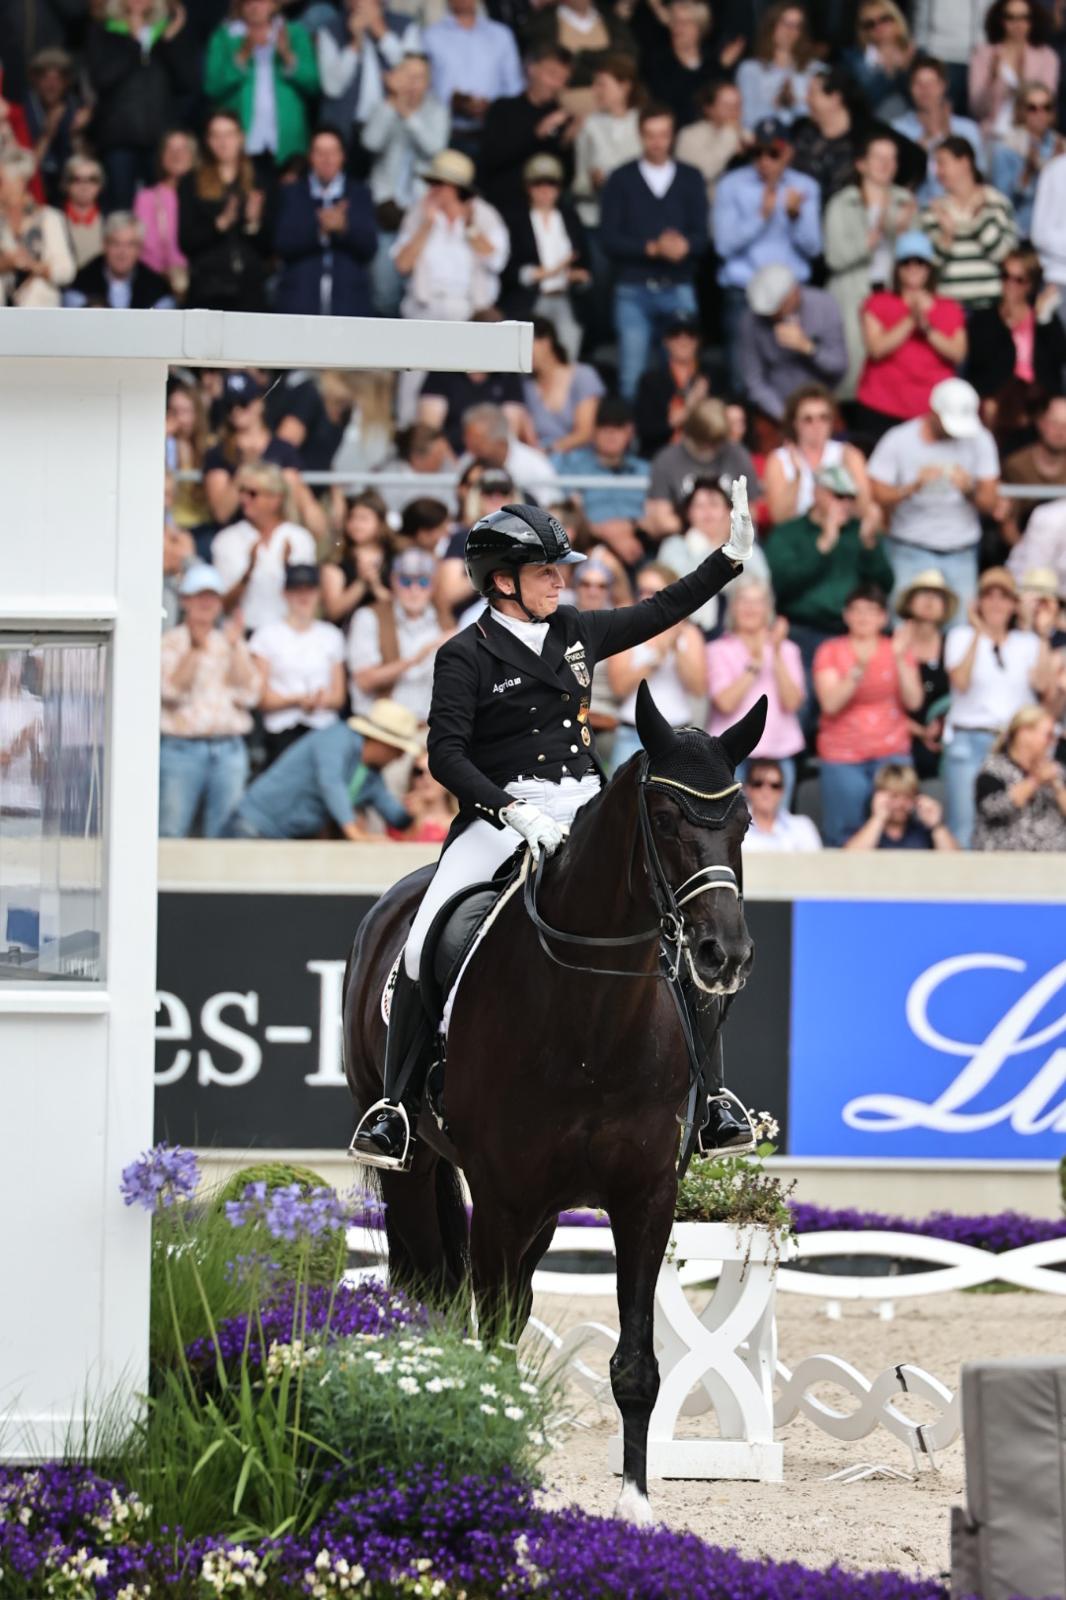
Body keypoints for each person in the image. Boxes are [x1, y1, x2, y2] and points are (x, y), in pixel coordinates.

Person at [349, 487, 758, 1170]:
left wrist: (729, 561)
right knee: (423, 942)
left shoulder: (575, 631)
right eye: (546, 572)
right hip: (500, 813)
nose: (560, 582)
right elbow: (445, 754)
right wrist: (510, 810)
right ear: (503, 582)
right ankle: (394, 1107)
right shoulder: (465, 654)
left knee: (677, 924)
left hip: (586, 805)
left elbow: (658, 610)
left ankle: (713, 1099)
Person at [599, 103, 708, 402]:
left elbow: (702, 235)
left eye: (663, 135)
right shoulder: (621, 179)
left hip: (678, 285)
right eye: (650, 135)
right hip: (633, 290)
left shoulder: (690, 177)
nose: (657, 143)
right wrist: (652, 248)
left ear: (672, 136)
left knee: (685, 375)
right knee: (632, 377)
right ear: (640, 135)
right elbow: (608, 239)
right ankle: (632, 445)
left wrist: (685, 246)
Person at [766, 463, 894, 710]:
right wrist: (822, 547)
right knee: (801, 708)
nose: (845, 503)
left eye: (850, 497)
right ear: (817, 493)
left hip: (850, 634)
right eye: (838, 495)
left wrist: (870, 546)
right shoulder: (789, 533)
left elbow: (884, 586)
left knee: (849, 706)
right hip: (801, 631)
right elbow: (780, 586)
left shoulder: (860, 532)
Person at [943, 564, 1053, 845]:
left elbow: (1042, 686)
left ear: (1014, 604)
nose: (996, 602)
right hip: (969, 739)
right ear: (978, 602)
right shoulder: (960, 636)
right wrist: (979, 632)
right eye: (989, 595)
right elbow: (961, 682)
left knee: (1018, 824)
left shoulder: (1027, 641)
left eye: (1004, 596)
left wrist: (1042, 635)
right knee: (964, 823)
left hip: (1013, 748)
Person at [867, 377, 1000, 608]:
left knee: (960, 630)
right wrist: (913, 487)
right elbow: (876, 494)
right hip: (909, 546)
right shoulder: (899, 439)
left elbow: (990, 504)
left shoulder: (981, 439)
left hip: (962, 550)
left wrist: (968, 490)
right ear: (933, 412)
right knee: (904, 624)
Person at [712, 118, 822, 390]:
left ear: (788, 153)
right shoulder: (731, 185)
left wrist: (795, 217)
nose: (765, 161)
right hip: (744, 292)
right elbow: (722, 246)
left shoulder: (805, 187)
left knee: (794, 376)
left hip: (791, 297)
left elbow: (814, 248)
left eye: (773, 153)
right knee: (743, 377)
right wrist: (761, 216)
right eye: (758, 153)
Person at [813, 582, 923, 846]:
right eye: (857, 610)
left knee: (896, 832)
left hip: (891, 751)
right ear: (846, 615)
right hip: (842, 755)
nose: (863, 617)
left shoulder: (896, 648)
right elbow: (830, 704)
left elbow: (914, 701)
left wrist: (899, 658)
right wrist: (858, 668)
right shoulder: (831, 650)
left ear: (883, 617)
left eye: (871, 611)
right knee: (844, 835)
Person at [224, 697, 421, 840]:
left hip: (286, 839)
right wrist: (355, 833)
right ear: (382, 742)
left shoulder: (371, 777)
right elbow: (331, 783)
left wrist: (414, 810)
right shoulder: (337, 738)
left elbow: (395, 815)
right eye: (398, 749)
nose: (400, 757)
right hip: (254, 825)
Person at [159, 565, 260, 838]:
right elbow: (169, 692)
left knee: (225, 832)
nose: (206, 603)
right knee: (171, 828)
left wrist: (235, 647)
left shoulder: (230, 641)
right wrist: (194, 649)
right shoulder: (169, 642)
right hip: (181, 749)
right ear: (185, 601)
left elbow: (250, 694)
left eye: (212, 596)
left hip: (229, 749)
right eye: (199, 595)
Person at [823, 134, 918, 399]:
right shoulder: (842, 203)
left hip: (894, 296)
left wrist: (903, 233)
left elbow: (920, 262)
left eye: (892, 158)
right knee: (854, 366)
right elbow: (834, 257)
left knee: (895, 367)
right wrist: (867, 242)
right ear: (861, 164)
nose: (886, 164)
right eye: (879, 157)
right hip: (853, 295)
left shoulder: (905, 203)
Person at [853, 232, 967, 442]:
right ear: (897, 267)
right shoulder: (877, 303)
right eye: (907, 262)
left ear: (929, 268)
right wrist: (911, 320)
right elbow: (876, 349)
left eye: (920, 262)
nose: (913, 267)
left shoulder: (949, 308)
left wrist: (927, 328)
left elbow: (958, 353)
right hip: (881, 406)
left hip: (932, 411)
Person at [83, 0, 197, 211]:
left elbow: (187, 81)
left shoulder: (166, 33)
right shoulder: (104, 30)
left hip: (159, 138)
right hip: (118, 137)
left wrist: (169, 42)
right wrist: (133, 43)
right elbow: (101, 79)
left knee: (163, 207)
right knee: (120, 207)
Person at [361, 52, 450, 317]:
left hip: (421, 214)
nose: (413, 83)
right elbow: (370, 142)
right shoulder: (383, 106)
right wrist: (392, 106)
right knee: (384, 292)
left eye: (419, 77)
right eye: (407, 75)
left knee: (421, 291)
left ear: (429, 82)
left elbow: (435, 148)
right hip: (384, 211)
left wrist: (409, 116)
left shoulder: (437, 110)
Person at [706, 578, 806, 806]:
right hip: (732, 755)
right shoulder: (717, 650)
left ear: (769, 610)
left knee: (777, 827)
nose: (750, 608)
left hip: (778, 754)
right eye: (743, 601)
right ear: (732, 608)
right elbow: (725, 703)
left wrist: (776, 653)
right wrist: (756, 664)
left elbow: (792, 703)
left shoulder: (788, 650)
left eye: (758, 602)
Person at [606, 561, 707, 768]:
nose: (645, 596)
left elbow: (698, 688)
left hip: (678, 734)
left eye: (653, 591)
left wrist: (676, 649)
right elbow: (618, 688)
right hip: (632, 733)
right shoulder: (627, 629)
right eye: (641, 590)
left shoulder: (689, 633)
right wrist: (654, 659)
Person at [392, 148, 509, 322]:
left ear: (457, 187)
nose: (433, 189)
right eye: (431, 183)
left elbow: (496, 261)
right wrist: (427, 225)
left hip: (470, 311)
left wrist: (470, 226)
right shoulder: (418, 212)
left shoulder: (484, 214)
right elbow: (402, 265)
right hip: (424, 309)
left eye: (439, 183)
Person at [274, 126, 378, 317]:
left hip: (349, 301)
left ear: (342, 156)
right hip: (300, 300)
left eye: (332, 152)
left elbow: (369, 246)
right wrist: (318, 228)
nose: (327, 159)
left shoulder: (360, 193)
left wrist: (344, 227)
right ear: (310, 157)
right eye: (320, 152)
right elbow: (282, 243)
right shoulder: (293, 193)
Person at [250, 564, 347, 765]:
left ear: (318, 593)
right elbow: (260, 697)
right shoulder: (266, 635)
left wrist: (320, 700)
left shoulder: (331, 635)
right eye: (297, 590)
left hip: (323, 729)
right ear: (285, 593)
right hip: (281, 732)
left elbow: (339, 697)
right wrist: (298, 700)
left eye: (309, 589)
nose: (303, 596)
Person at [204, 0, 319, 167]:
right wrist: (243, 54)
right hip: (242, 143)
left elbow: (313, 85)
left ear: (274, 4)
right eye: (248, 2)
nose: (255, 6)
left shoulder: (294, 34)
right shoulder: (224, 37)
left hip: (287, 143)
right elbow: (212, 88)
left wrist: (287, 55)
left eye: (261, 1)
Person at [178, 110, 271, 314]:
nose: (223, 142)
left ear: (241, 137)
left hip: (249, 292)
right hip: (207, 290)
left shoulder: (261, 181)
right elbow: (186, 241)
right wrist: (219, 224)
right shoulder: (190, 183)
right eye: (216, 135)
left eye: (228, 134)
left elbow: (271, 245)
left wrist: (253, 223)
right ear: (208, 140)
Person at [210, 462, 318, 633]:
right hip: (243, 634)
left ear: (276, 498)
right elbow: (222, 605)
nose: (244, 499)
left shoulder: (300, 538)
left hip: (289, 635)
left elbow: (308, 598)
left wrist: (289, 570)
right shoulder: (226, 539)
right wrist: (248, 572)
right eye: (241, 492)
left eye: (252, 493)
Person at [965, 247, 1066, 429]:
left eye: (1019, 280)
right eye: (1005, 276)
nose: (1010, 284)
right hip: (998, 399)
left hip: (1037, 400)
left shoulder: (1044, 320)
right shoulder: (984, 319)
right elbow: (980, 363)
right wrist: (1006, 324)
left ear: (1030, 284)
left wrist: (1043, 320)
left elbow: (1058, 359)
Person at [348, 546, 452, 724]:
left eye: (423, 582)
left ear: (433, 585)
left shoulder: (444, 621)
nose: (414, 590)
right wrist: (415, 658)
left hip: (431, 727)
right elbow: (364, 680)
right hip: (380, 728)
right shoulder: (368, 617)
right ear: (393, 581)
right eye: (406, 581)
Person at [501, 156, 590, 358]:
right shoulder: (516, 220)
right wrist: (535, 273)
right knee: (526, 357)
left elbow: (584, 261)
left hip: (565, 297)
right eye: (537, 184)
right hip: (532, 300)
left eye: (551, 184)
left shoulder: (569, 218)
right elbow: (507, 266)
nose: (544, 190)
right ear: (528, 188)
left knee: (567, 355)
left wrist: (578, 276)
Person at [738, 263, 848, 422]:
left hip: (822, 408)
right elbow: (754, 381)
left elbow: (839, 366)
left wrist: (808, 347)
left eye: (778, 307)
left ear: (794, 292)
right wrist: (785, 416)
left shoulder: (824, 305)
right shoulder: (751, 320)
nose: (773, 315)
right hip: (776, 413)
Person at [660, 477, 772, 631]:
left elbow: (760, 589)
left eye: (713, 504)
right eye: (699, 506)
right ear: (688, 513)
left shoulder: (748, 548)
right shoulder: (673, 546)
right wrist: (706, 546)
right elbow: (681, 589)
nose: (707, 512)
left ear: (729, 511)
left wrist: (723, 547)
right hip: (687, 629)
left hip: (737, 630)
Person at [919, 136, 1017, 310]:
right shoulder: (933, 210)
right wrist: (947, 236)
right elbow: (930, 266)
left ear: (964, 162)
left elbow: (1003, 255)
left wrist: (979, 219)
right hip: (950, 303)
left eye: (942, 163)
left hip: (991, 303)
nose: (937, 171)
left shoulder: (997, 202)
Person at [551, 395, 648, 567]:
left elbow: (655, 513)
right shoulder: (572, 464)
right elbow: (567, 510)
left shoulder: (645, 470)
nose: (611, 433)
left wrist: (631, 527)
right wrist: (607, 532)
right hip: (587, 545)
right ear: (593, 430)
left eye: (618, 426)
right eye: (604, 425)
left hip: (640, 544)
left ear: (630, 431)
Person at [478, 43, 574, 216]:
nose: (556, 84)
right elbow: (491, 159)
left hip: (544, 214)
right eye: (552, 74)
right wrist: (536, 134)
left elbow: (566, 176)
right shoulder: (503, 108)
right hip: (503, 206)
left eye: (563, 79)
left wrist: (568, 141)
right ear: (531, 69)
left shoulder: (563, 118)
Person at [643, 397, 759, 538]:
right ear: (692, 434)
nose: (713, 447)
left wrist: (720, 532)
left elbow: (752, 510)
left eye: (718, 442)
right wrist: (701, 530)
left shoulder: (738, 455)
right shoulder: (666, 460)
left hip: (732, 540)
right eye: (707, 442)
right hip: (683, 542)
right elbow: (661, 518)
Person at [422, 0, 524, 158]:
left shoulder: (501, 35)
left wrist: (491, 107)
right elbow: (424, 86)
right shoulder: (431, 36)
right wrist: (454, 102)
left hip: (490, 133)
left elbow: (514, 88)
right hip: (445, 133)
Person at [316, 0, 420, 153]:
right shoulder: (330, 30)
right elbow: (332, 88)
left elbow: (414, 76)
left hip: (391, 128)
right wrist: (354, 44)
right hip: (344, 131)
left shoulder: (406, 26)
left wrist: (381, 33)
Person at [417, 309, 527, 452]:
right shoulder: (443, 370)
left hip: (492, 455)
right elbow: (430, 430)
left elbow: (509, 432)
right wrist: (458, 468)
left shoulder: (508, 375)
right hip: (448, 460)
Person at [764, 384, 874, 527]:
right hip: (797, 537)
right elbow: (779, 518)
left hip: (840, 531)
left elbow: (863, 511)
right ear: (795, 423)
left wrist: (850, 475)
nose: (817, 425)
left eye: (824, 417)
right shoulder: (779, 459)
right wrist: (797, 476)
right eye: (808, 419)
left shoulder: (849, 454)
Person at [891, 54, 985, 204]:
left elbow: (979, 178)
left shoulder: (968, 129)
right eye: (919, 84)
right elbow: (894, 184)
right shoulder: (898, 129)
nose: (925, 90)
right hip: (916, 210)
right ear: (910, 88)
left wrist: (947, 136)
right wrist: (921, 147)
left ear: (943, 86)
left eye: (931, 83)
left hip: (961, 207)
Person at [973, 705, 1066, 851]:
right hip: (1006, 861)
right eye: (1048, 736)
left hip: (1054, 862)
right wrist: (1035, 781)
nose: (1052, 743)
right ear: (1024, 733)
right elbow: (991, 809)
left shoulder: (1056, 771)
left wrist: (1057, 787)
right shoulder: (993, 769)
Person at [893, 567, 955, 779]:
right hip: (900, 732)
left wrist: (942, 725)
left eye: (937, 595)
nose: (929, 600)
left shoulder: (954, 643)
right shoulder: (892, 641)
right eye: (923, 593)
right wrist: (919, 731)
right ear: (909, 602)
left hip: (946, 734)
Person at [968, 0, 1059, 143]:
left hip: (1032, 137)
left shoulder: (1047, 56)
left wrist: (1023, 79)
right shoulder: (983, 53)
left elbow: (1046, 106)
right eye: (1010, 17)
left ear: (1033, 20)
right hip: (993, 134)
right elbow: (977, 109)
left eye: (1024, 17)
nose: (1018, 24)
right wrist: (992, 79)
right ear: (1001, 20)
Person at [571, 53, 641, 237]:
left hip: (636, 219)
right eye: (594, 84)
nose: (594, 90)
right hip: (595, 218)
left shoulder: (643, 122)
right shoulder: (588, 125)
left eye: (601, 84)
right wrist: (593, 183)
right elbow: (580, 180)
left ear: (624, 86)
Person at [0, 147, 75, 308]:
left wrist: (33, 265)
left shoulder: (49, 218)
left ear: (19, 182)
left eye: (1, 181)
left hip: (39, 315)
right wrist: (6, 263)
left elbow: (65, 271)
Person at [633, 314, 715, 458]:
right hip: (659, 457)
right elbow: (645, 430)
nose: (683, 340)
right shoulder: (651, 381)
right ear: (666, 341)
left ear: (698, 341)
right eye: (675, 334)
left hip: (707, 457)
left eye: (690, 334)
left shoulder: (713, 376)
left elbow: (723, 426)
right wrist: (689, 409)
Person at [989, 83, 1064, 237]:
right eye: (1032, 108)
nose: (1040, 113)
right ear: (1021, 112)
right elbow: (1001, 203)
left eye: (1046, 107)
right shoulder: (1005, 149)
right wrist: (1027, 173)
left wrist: (1058, 168)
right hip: (1021, 233)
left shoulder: (1061, 147)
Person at [521, 317, 603, 454]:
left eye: (526, 345)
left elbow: (586, 432)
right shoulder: (524, 384)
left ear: (546, 341)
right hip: (538, 459)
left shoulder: (583, 375)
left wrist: (550, 449)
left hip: (580, 459)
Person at [63, 211, 175, 308]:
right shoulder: (82, 283)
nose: (123, 252)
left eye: (130, 245)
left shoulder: (157, 289)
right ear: (105, 245)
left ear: (139, 248)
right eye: (116, 244)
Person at [459, 402, 562, 507]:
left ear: (500, 441)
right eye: (467, 440)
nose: (470, 447)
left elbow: (549, 507)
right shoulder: (467, 462)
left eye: (477, 442)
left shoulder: (534, 465)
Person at [133, 129, 195, 299]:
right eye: (170, 149)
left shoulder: (203, 197)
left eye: (183, 149)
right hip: (158, 282)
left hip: (198, 280)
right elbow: (143, 244)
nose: (176, 154)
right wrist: (166, 273)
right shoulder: (146, 198)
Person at [735, 3, 818, 129]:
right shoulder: (750, 69)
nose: (790, 31)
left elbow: (821, 115)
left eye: (797, 26)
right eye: (785, 24)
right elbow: (747, 118)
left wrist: (796, 104)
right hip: (765, 138)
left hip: (805, 138)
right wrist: (774, 106)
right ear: (772, 26)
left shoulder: (814, 69)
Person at [789, 65, 864, 204]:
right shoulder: (802, 131)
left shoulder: (857, 144)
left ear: (835, 98)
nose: (806, 99)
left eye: (812, 93)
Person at [843, 762, 959, 849]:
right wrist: (878, 819)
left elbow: (958, 866)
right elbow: (847, 864)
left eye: (907, 797)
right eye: (894, 796)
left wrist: (937, 825)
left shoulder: (923, 833)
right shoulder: (861, 830)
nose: (900, 804)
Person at [23, 48, 86, 209]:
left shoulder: (73, 106)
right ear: (36, 80)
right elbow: (26, 167)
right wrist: (47, 133)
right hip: (33, 186)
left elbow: (84, 162)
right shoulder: (25, 109)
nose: (52, 85)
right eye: (46, 79)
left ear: (66, 82)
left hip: (66, 189)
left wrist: (76, 134)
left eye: (57, 79)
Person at [321, 490, 393, 629]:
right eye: (351, 518)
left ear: (380, 521)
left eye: (364, 519)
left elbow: (405, 606)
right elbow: (333, 612)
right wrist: (361, 583)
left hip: (386, 633)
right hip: (345, 632)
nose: (356, 525)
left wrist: (376, 587)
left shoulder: (395, 556)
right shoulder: (336, 560)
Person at [1001, 394, 1066, 546]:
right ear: (1041, 423)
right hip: (1025, 553)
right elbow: (1007, 521)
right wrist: (1026, 557)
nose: (1061, 431)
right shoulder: (1016, 465)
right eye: (1055, 423)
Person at [675, 80, 749, 205]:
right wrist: (729, 135)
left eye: (737, 105)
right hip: (706, 209)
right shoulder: (689, 136)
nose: (734, 111)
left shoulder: (747, 136)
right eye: (727, 106)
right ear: (709, 108)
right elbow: (703, 173)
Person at [842, 0, 914, 120]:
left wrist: (905, 69)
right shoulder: (853, 60)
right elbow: (864, 104)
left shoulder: (916, 54)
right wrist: (889, 72)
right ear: (863, 31)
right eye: (870, 24)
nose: (878, 27)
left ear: (896, 19)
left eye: (884, 19)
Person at [741, 756, 822, 850]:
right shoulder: (732, 830)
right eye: (758, 784)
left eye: (775, 786)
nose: (766, 791)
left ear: (782, 791)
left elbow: (816, 862)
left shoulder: (803, 827)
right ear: (747, 789)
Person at [389, 760, 458, 843]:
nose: (426, 777)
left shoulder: (460, 823)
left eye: (435, 771)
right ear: (411, 779)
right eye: (419, 772)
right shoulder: (400, 820)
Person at [61, 157, 105, 270]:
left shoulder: (109, 221)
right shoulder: (54, 220)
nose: (84, 186)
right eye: (77, 179)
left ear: (100, 185)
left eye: (92, 179)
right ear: (66, 184)